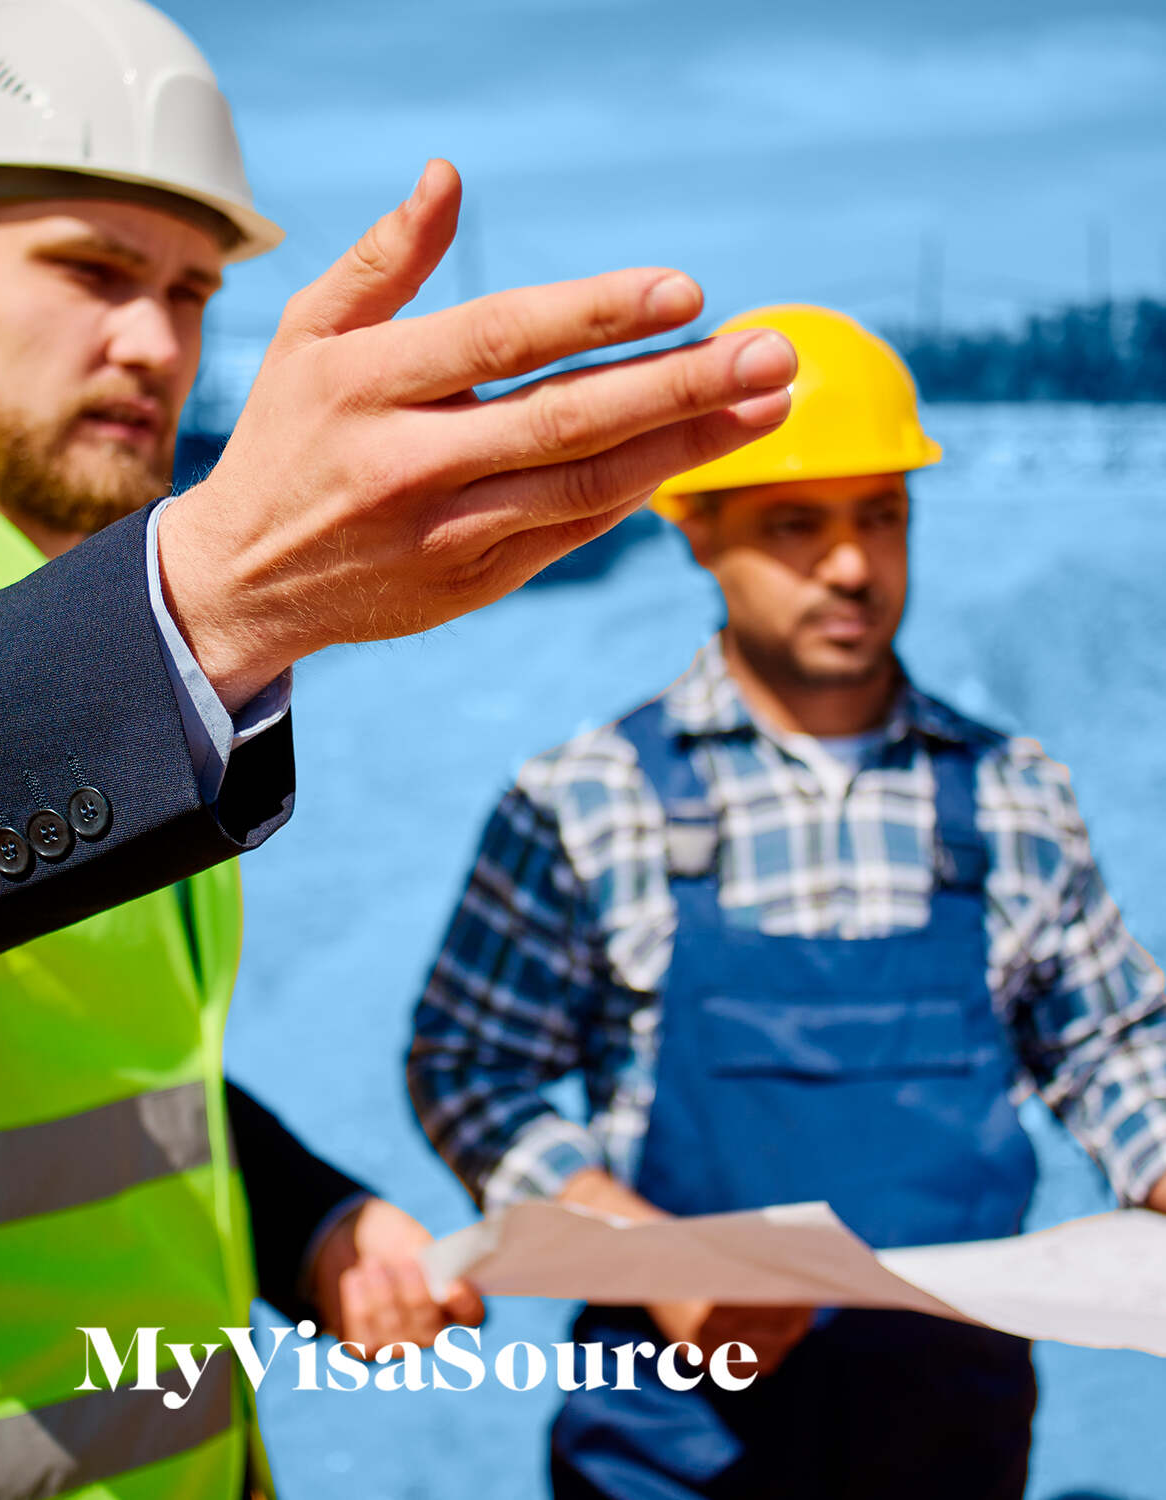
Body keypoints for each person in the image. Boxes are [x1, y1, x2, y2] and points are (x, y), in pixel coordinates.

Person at [0, 1, 800, 1495]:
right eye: (94, 272)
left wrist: (314, 1221)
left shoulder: (125, 590)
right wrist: (199, 599)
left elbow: (112, 1063)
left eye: (193, 292)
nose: (155, 344)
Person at [407, 303, 1166, 1500]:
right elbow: (467, 1067)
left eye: (882, 517)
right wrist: (658, 1255)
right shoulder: (585, 803)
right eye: (797, 525)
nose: (854, 566)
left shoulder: (1015, 796)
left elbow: (1111, 1044)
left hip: (950, 1433)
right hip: (674, 1445)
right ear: (697, 530)